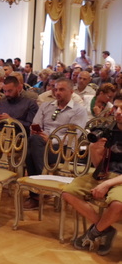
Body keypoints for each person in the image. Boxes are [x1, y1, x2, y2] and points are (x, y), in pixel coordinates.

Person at [62, 93, 122, 255]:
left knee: (118, 204)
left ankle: (93, 233)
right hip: (105, 173)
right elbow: (99, 165)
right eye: (116, 107)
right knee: (68, 192)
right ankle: (105, 229)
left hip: (118, 180)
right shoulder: (110, 129)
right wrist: (94, 150)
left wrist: (107, 184)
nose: (118, 112)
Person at [23, 78, 88, 210]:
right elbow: (35, 124)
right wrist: (37, 132)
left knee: (31, 151)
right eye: (56, 89)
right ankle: (44, 185)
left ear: (71, 91)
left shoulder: (78, 110)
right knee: (33, 142)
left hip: (64, 149)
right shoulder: (45, 106)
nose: (57, 92)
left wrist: (51, 139)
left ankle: (36, 194)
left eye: (61, 89)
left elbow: (73, 136)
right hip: (41, 144)